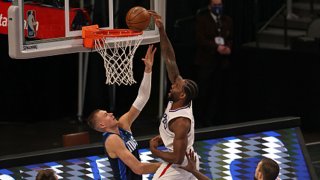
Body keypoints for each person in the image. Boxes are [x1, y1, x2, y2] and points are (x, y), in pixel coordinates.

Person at [87, 45, 160, 179]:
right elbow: (138, 168)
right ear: (102, 125)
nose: (110, 113)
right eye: (106, 115)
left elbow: (142, 98)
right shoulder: (112, 140)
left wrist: (148, 70)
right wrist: (167, 166)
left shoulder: (123, 124)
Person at [148, 12, 199, 180]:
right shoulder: (180, 99)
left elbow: (177, 158)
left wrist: (155, 151)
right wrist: (162, 31)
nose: (172, 84)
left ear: (182, 94)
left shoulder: (181, 122)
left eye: (176, 85)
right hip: (186, 158)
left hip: (180, 165)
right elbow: (170, 58)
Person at [194, 0, 233, 127]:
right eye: (215, 5)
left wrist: (227, 48)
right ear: (210, 6)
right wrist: (216, 47)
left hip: (221, 63)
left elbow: (230, 38)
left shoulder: (227, 20)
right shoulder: (202, 19)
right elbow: (200, 39)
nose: (218, 7)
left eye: (220, 4)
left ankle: (211, 119)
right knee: (203, 91)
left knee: (216, 92)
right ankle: (199, 118)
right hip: (206, 62)